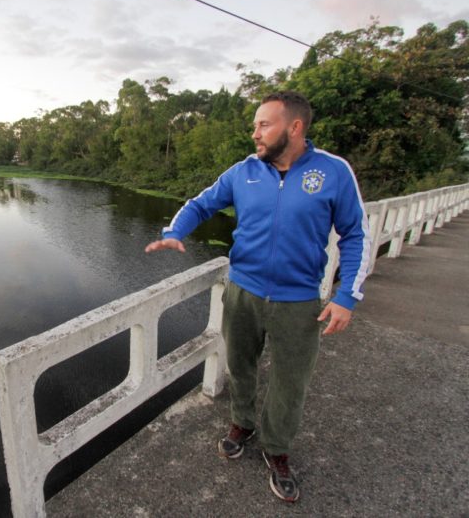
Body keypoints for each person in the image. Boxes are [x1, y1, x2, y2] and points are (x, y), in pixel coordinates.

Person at [145, 91, 370, 502]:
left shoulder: (333, 171)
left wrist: (346, 296)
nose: (255, 133)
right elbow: (201, 204)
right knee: (240, 365)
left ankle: (277, 449)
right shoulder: (243, 171)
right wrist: (174, 232)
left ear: (294, 127)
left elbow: (355, 234)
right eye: (255, 125)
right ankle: (242, 423)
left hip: (299, 301)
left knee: (290, 382)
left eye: (264, 124)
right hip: (243, 291)